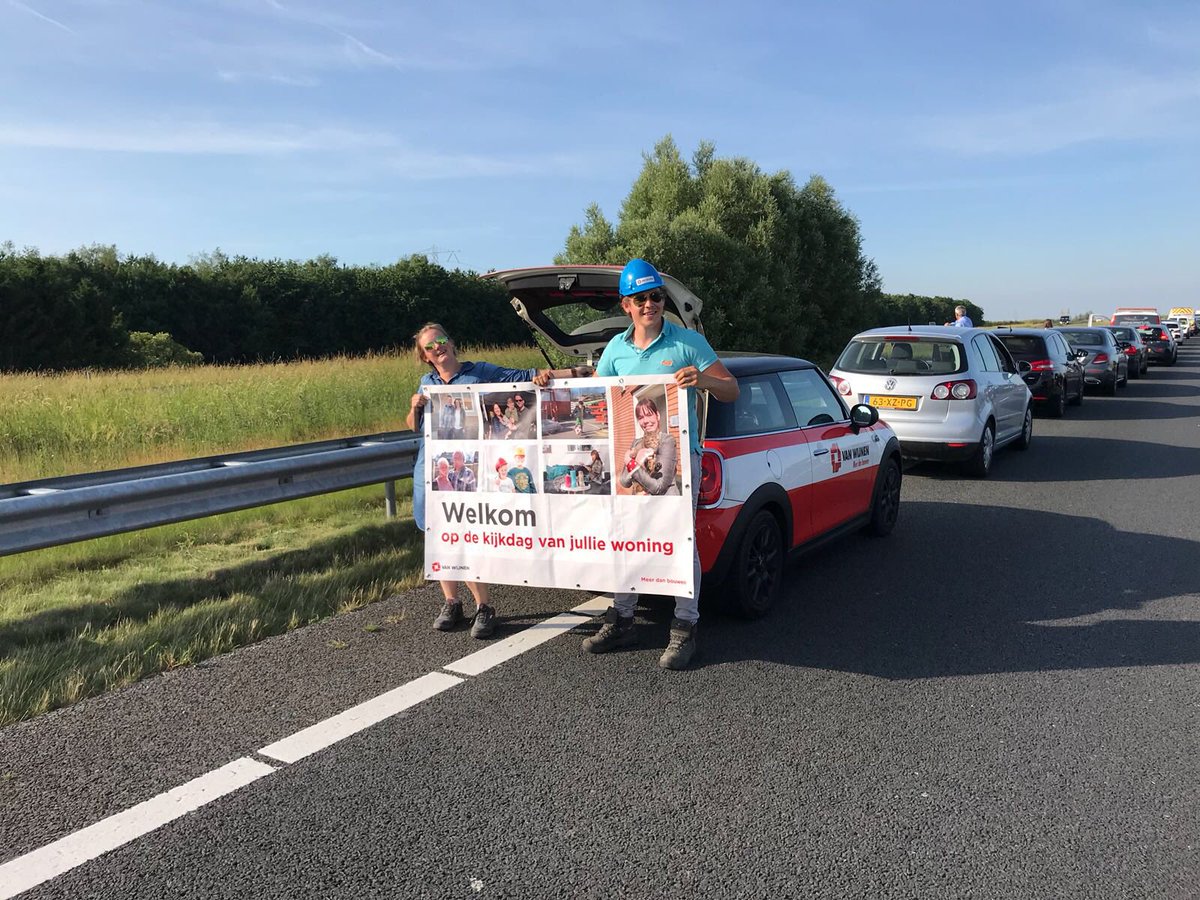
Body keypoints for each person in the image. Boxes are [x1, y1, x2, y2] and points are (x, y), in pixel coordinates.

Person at [582, 258, 739, 670]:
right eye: (641, 298)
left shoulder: (687, 342)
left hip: (679, 459)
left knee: (678, 540)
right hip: (633, 454)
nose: (650, 304)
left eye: (656, 296)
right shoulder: (615, 350)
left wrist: (703, 380)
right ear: (626, 306)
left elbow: (731, 390)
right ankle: (623, 618)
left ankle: (685, 626)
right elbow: (598, 400)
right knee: (626, 537)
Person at [406, 322, 587, 637]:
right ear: (425, 356)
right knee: (438, 537)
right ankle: (451, 602)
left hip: (469, 471)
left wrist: (566, 374)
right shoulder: (426, 383)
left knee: (465, 534)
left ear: (452, 342)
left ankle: (484, 606)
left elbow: (522, 376)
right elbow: (412, 427)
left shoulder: (479, 371)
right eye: (431, 346)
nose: (439, 347)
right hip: (431, 470)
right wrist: (414, 407)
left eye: (443, 340)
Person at [619, 396, 679, 496]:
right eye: (641, 417)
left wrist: (631, 463)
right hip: (642, 505)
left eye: (649, 415)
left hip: (664, 505)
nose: (645, 421)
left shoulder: (667, 440)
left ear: (658, 416)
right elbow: (624, 482)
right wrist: (637, 461)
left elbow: (658, 487)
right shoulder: (636, 443)